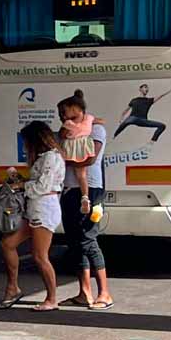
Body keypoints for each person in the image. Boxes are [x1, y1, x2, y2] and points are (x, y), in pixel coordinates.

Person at [0, 120, 66, 312]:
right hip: (35, 209)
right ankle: (13, 288)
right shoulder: (45, 157)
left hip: (43, 209)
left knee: (40, 256)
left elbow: (42, 187)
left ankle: (52, 298)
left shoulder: (51, 158)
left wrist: (20, 185)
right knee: (8, 243)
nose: (25, 145)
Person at [57, 91, 114, 309]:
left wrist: (67, 159)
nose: (62, 116)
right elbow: (57, 148)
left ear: (78, 109)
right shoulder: (65, 130)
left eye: (66, 111)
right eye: (60, 113)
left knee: (88, 239)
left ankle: (105, 293)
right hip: (68, 189)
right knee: (74, 241)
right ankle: (84, 293)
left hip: (91, 189)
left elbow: (90, 158)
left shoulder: (96, 129)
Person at [57, 88, 101, 216]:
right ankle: (85, 198)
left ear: (75, 108)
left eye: (64, 112)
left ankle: (60, 196)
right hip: (83, 148)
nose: (63, 116)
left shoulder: (68, 124)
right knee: (82, 176)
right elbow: (100, 121)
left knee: (59, 170)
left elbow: (62, 135)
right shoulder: (89, 120)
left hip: (71, 149)